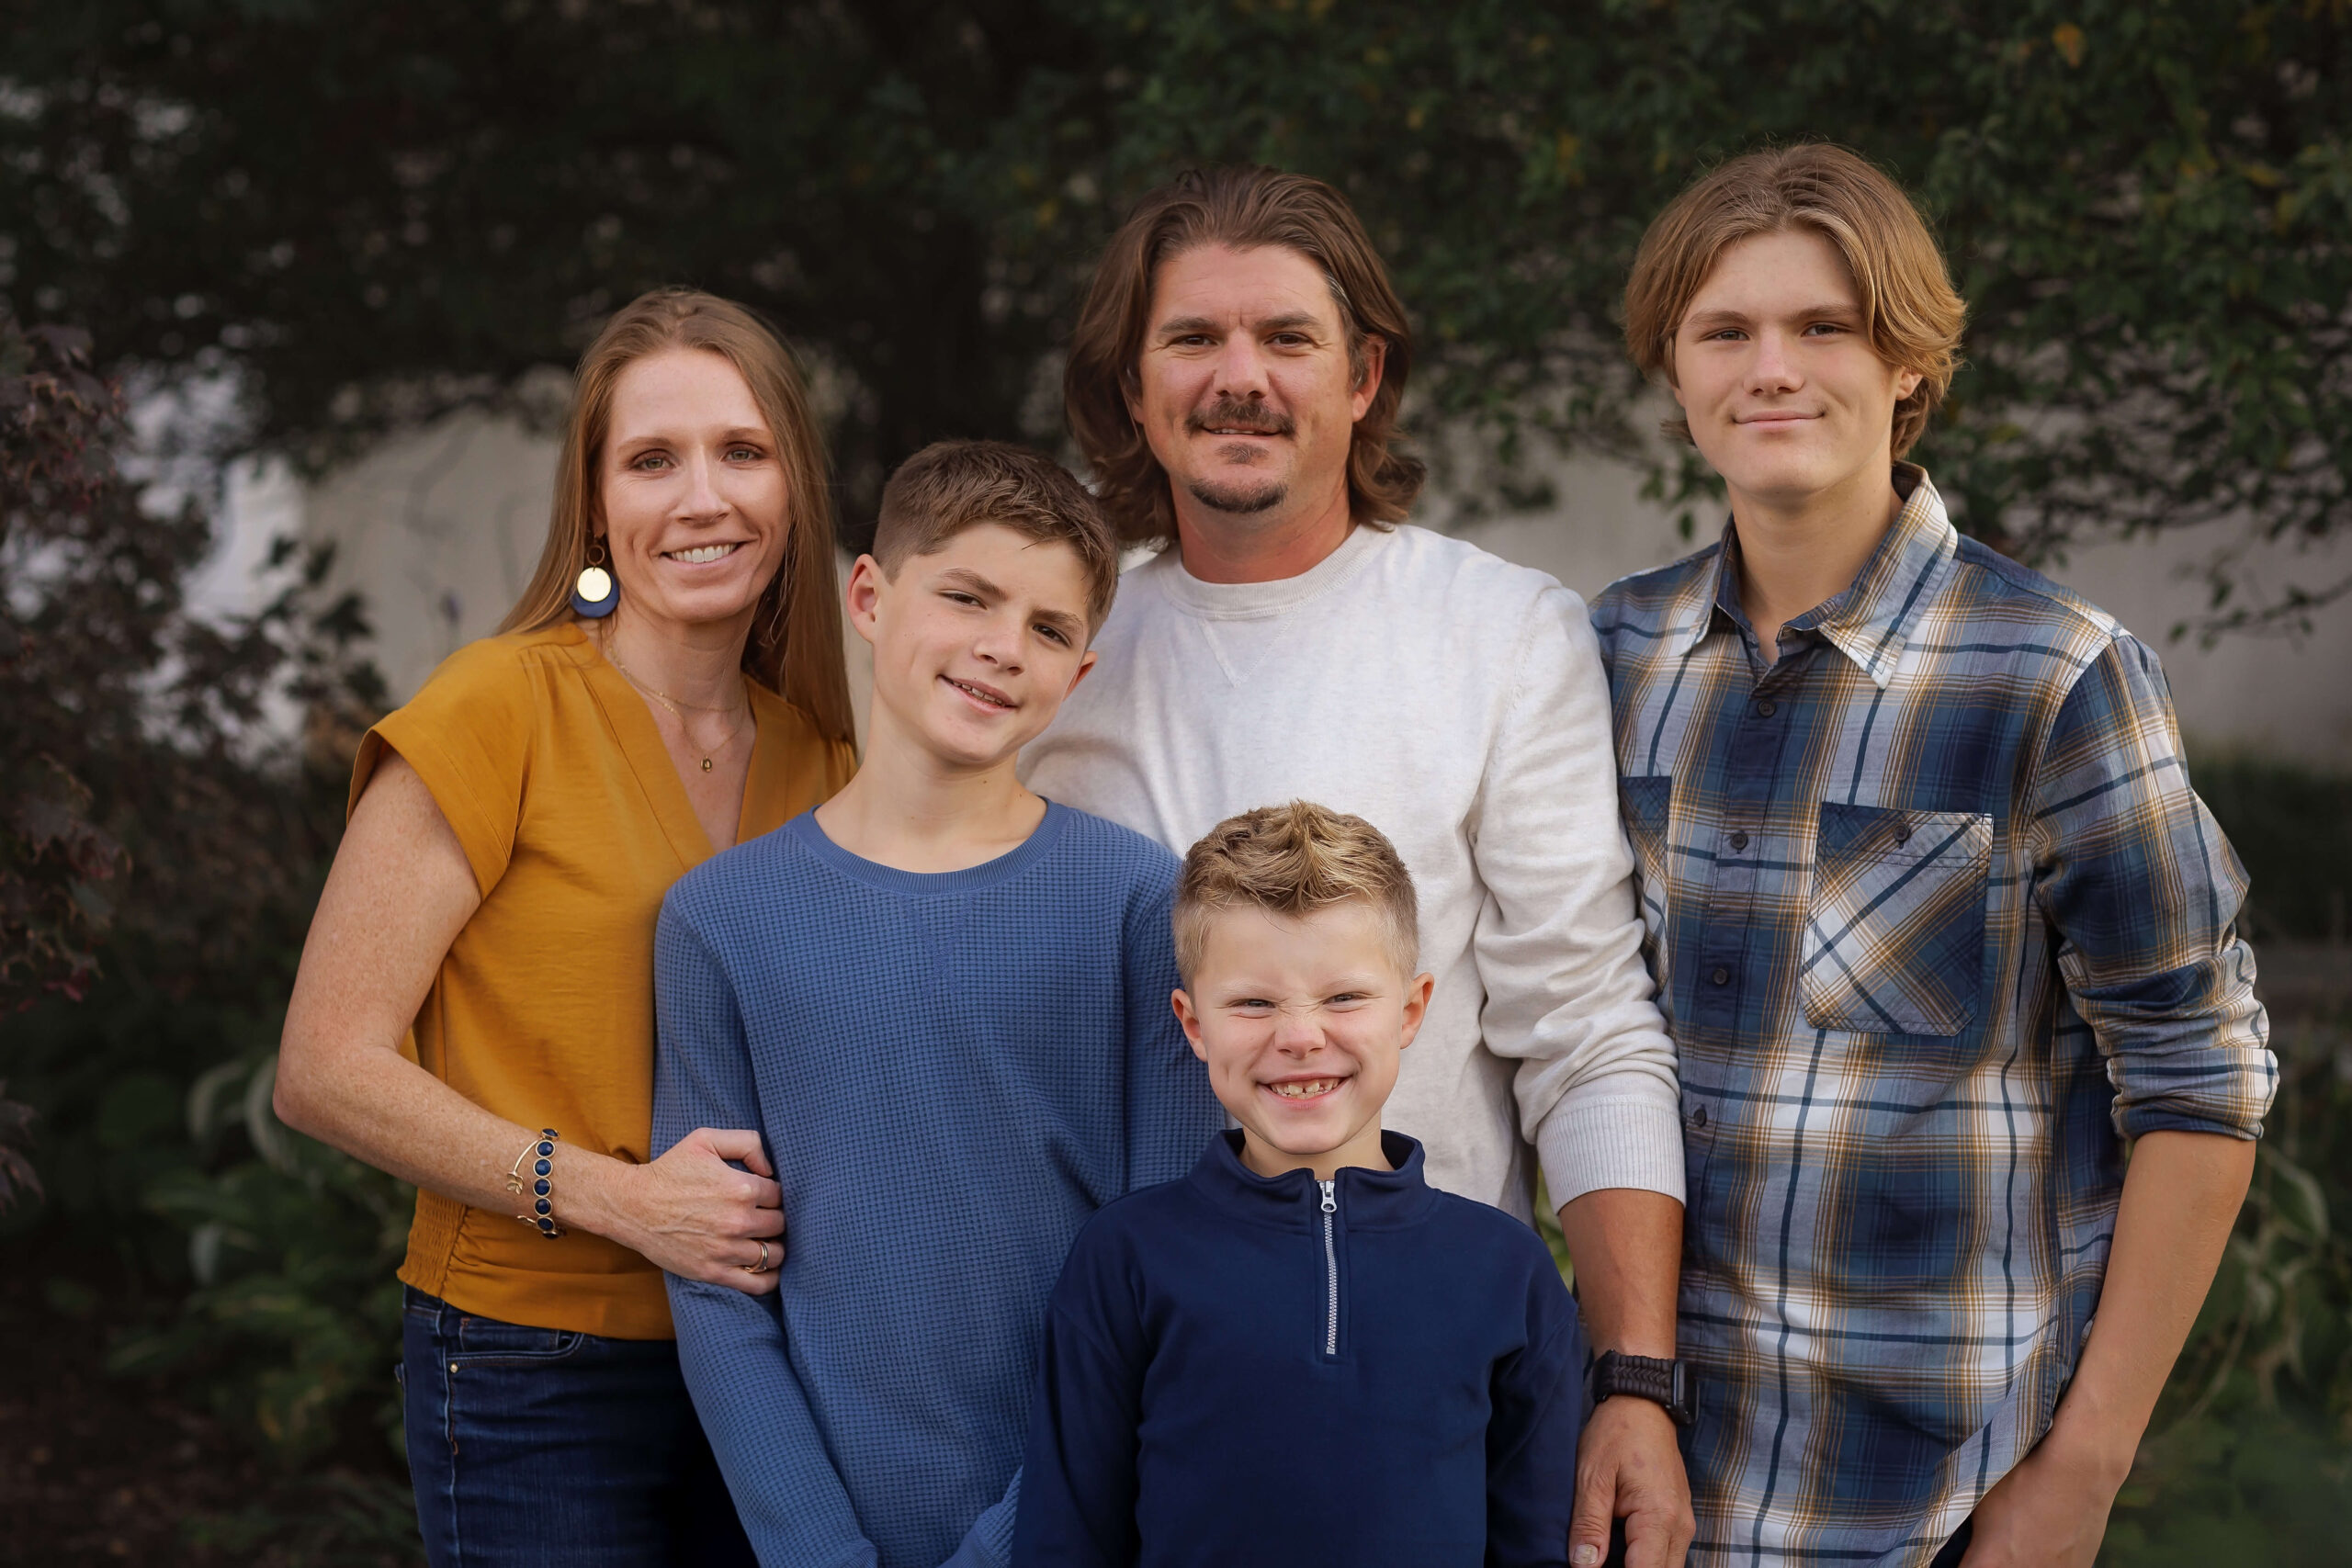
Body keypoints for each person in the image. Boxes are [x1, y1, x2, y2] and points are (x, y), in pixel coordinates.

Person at [1590, 143, 2277, 1568]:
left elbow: (2200, 1082)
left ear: (1907, 361)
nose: (1772, 369)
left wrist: (2084, 1468)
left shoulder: (2055, 673)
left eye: (1823, 326)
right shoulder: (1608, 656)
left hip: (1930, 1503)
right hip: (1641, 1477)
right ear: (1675, 373)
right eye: (1725, 331)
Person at [1021, 164, 1694, 1563]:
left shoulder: (1499, 632)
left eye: (1287, 337)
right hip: (1134, 1396)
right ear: (1133, 385)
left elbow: (1583, 1025)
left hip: (1425, 1405)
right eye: (1192, 338)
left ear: (1365, 374)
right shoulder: (1056, 651)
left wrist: (1633, 1376)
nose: (1239, 378)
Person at [273, 288, 858, 1567]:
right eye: (652, 460)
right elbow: (323, 1066)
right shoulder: (499, 707)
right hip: (531, 1365)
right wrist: (621, 1200)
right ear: (594, 505)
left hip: (769, 1367)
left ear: (795, 488)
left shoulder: (826, 759)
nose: (702, 497)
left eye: (742, 451)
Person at [651, 439, 1225, 1568]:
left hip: (1078, 1530)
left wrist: (1023, 1540)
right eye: (967, 596)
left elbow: (1167, 1270)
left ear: (1079, 675)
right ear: (870, 597)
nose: (1002, 647)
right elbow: (716, 1287)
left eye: (1048, 629)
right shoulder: (719, 920)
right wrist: (818, 1553)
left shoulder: (1139, 903)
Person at [1012, 801, 1589, 1568]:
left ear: (1411, 1008)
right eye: (1254, 1002)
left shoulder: (1508, 1271)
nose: (1300, 1036)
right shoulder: (1125, 1259)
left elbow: (1539, 1544)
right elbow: (1065, 1542)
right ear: (1194, 1023)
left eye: (1343, 997)